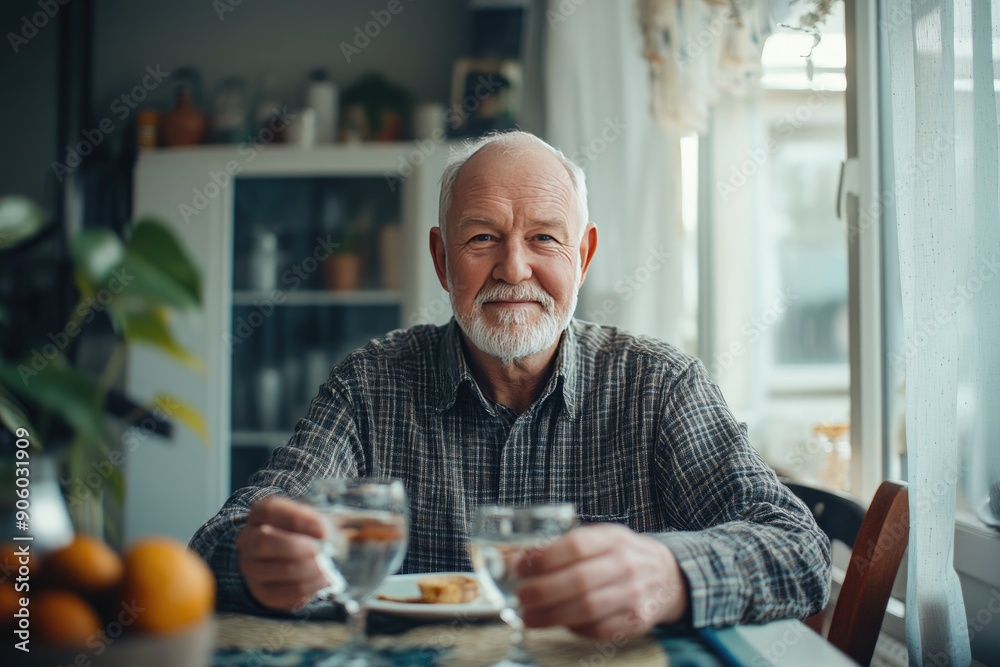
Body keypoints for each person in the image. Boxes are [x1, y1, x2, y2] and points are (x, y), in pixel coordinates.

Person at [191, 131, 830, 640]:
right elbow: (223, 537)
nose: (514, 267)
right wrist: (257, 563)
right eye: (483, 238)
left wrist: (671, 574)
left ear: (582, 256)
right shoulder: (370, 385)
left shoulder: (657, 385)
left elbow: (799, 549)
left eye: (544, 238)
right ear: (442, 260)